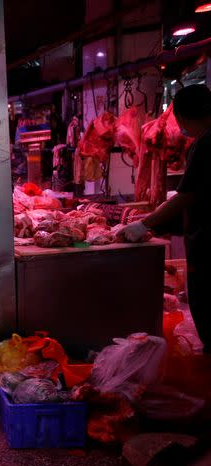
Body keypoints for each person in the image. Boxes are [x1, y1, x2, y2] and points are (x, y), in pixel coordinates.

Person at [118, 84, 211, 354]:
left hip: (207, 247)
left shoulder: (205, 142)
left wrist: (146, 223)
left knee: (206, 304)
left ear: (181, 117)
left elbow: (187, 195)